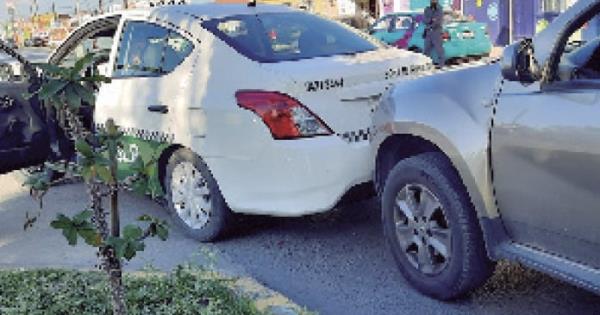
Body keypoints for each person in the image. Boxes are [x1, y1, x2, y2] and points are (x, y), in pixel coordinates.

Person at [423, 0, 446, 67]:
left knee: (439, 49)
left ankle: (441, 64)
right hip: (428, 32)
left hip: (436, 32)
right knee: (426, 49)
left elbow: (438, 21)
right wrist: (431, 19)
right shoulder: (427, 9)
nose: (433, 1)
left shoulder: (440, 9)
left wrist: (430, 22)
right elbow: (424, 20)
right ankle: (425, 64)